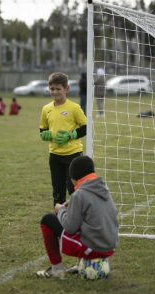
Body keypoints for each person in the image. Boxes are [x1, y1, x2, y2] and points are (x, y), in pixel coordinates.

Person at [36, 155, 119, 279]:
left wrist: (61, 210)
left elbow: (70, 227)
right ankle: (81, 263)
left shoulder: (79, 195)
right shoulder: (103, 188)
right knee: (85, 221)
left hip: (94, 248)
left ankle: (57, 269)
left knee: (47, 220)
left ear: (74, 178)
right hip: (109, 245)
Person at [39, 72, 87, 207]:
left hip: (73, 154)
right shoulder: (46, 109)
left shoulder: (74, 108)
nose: (55, 92)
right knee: (58, 191)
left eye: (58, 89)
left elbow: (86, 127)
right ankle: (60, 221)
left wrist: (71, 135)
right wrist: (44, 134)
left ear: (67, 89)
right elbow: (42, 128)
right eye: (52, 89)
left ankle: (77, 219)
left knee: (73, 189)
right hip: (54, 155)